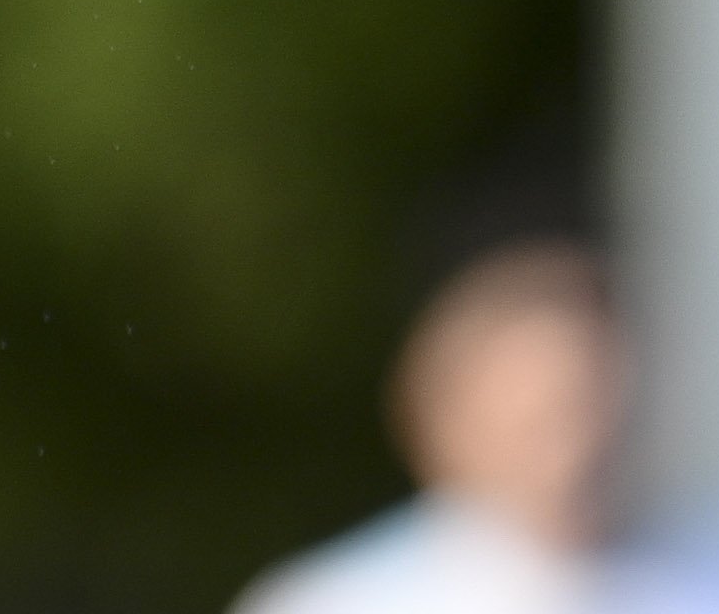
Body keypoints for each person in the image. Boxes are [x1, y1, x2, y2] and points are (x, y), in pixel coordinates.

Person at [234, 240, 626, 614]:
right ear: (447, 426)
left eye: (588, 409)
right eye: (538, 424)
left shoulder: (683, 572)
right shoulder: (334, 601)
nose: (577, 451)